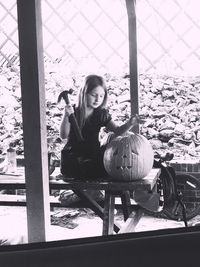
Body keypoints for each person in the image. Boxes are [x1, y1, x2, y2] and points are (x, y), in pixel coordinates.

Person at [60, 74, 144, 180]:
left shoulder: (101, 114)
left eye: (101, 96)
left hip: (91, 156)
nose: (97, 99)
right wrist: (66, 116)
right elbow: (63, 135)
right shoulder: (73, 112)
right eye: (93, 95)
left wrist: (130, 123)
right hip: (73, 159)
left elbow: (118, 131)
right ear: (84, 93)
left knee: (109, 157)